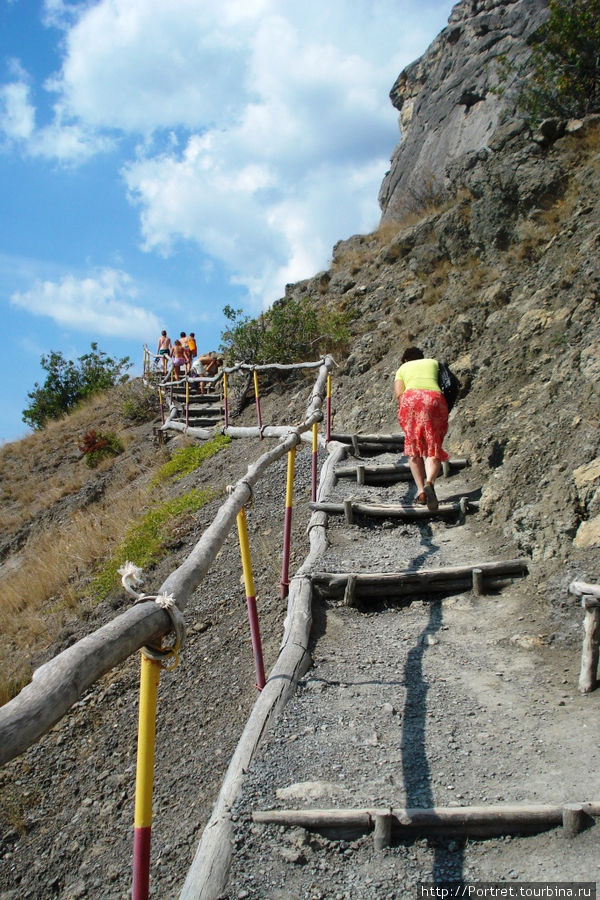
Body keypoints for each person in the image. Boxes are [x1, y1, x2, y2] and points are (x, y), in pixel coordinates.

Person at [394, 346, 449, 511]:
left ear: (405, 359)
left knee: (414, 448)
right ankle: (430, 482)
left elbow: (399, 394)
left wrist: (406, 413)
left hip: (412, 400)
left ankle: (420, 492)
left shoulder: (402, 368)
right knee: (433, 447)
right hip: (435, 400)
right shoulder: (434, 363)